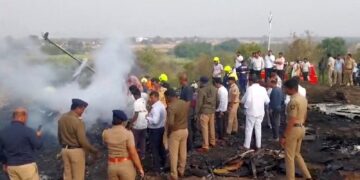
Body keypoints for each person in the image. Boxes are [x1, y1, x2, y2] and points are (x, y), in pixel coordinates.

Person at [58, 99, 100, 180]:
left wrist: (63, 147)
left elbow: (59, 136)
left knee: (67, 177)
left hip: (65, 151)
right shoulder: (78, 121)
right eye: (82, 110)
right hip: (76, 152)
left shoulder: (62, 118)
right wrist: (94, 150)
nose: (83, 112)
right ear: (78, 108)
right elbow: (83, 141)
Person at [280, 78, 312, 180]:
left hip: (293, 129)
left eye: (285, 89)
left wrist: (284, 135)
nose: (284, 90)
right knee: (297, 154)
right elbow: (305, 115)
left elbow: (291, 120)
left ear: (291, 89)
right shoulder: (303, 98)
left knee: (289, 157)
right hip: (302, 127)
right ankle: (307, 176)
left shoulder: (293, 101)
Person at [0, 107, 43, 180]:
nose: (27, 120)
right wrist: (38, 137)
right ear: (23, 117)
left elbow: (0, 151)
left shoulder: (3, 132)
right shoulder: (28, 130)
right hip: (27, 166)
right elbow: (38, 145)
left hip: (11, 167)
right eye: (26, 117)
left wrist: (4, 163)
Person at [102, 110, 145, 180]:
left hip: (111, 167)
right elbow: (133, 153)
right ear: (123, 122)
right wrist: (140, 168)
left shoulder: (105, 133)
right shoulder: (128, 133)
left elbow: (105, 144)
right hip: (125, 166)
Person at [164, 88, 188, 180]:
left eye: (166, 97)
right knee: (183, 152)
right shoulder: (183, 103)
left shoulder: (171, 107)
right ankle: (181, 170)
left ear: (169, 96)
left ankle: (174, 175)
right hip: (185, 130)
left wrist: (169, 133)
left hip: (175, 132)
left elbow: (170, 123)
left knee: (173, 154)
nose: (166, 99)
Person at [241, 75, 270, 150]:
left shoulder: (250, 89)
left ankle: (246, 146)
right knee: (258, 128)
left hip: (251, 112)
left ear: (250, 81)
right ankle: (258, 145)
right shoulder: (263, 89)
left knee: (249, 129)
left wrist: (245, 107)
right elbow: (267, 101)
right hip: (260, 112)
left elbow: (246, 100)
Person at [146, 91, 167, 173]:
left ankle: (156, 168)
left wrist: (147, 117)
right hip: (161, 128)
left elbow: (155, 121)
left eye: (152, 98)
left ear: (156, 97)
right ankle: (163, 163)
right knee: (161, 147)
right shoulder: (161, 105)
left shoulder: (155, 108)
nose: (150, 99)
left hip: (155, 130)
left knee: (154, 149)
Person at [195, 76, 217, 153]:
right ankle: (213, 142)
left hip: (204, 112)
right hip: (212, 111)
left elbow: (199, 104)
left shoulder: (201, 90)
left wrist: (196, 113)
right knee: (212, 127)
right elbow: (218, 100)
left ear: (202, 82)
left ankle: (205, 146)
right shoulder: (214, 89)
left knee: (204, 129)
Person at [129, 88, 148, 160]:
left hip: (137, 125)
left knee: (134, 141)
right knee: (143, 140)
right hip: (144, 124)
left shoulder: (136, 102)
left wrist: (131, 123)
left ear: (135, 95)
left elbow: (136, 115)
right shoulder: (143, 100)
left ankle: (134, 156)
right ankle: (142, 155)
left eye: (133, 95)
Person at [178, 73, 194, 151]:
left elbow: (188, 102)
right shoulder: (184, 88)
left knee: (188, 128)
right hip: (185, 111)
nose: (179, 81)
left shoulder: (187, 88)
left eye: (179, 80)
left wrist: (184, 112)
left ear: (182, 80)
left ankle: (190, 147)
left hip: (187, 111)